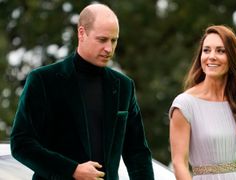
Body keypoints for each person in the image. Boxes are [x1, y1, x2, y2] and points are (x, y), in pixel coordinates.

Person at [10, 3, 154, 180]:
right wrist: (72, 170)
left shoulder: (124, 86)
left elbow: (137, 153)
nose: (109, 48)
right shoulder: (43, 80)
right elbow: (21, 144)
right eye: (102, 40)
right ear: (81, 33)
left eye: (114, 40)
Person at [169, 25, 236, 180]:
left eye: (220, 51)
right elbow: (179, 163)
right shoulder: (185, 105)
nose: (211, 56)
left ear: (232, 57)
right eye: (206, 50)